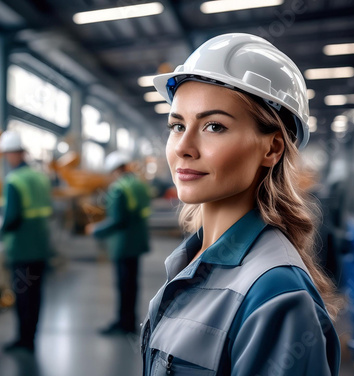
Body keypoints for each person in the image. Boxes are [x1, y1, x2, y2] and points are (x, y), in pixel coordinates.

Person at [140, 33, 341, 375]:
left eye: (214, 126)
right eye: (177, 125)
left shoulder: (276, 295)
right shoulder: (192, 260)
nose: (183, 147)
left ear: (272, 148)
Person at [0, 130, 53, 352]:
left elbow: (10, 218)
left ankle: (24, 340)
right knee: (36, 294)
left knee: (22, 296)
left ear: (13, 154)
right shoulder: (40, 177)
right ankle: (32, 337)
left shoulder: (14, 181)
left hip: (21, 248)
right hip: (41, 245)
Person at [87, 151, 151, 335]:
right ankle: (130, 319)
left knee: (124, 284)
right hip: (138, 241)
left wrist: (96, 230)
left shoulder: (118, 189)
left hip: (123, 244)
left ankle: (124, 323)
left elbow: (117, 220)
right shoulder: (139, 185)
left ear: (115, 170)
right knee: (132, 283)